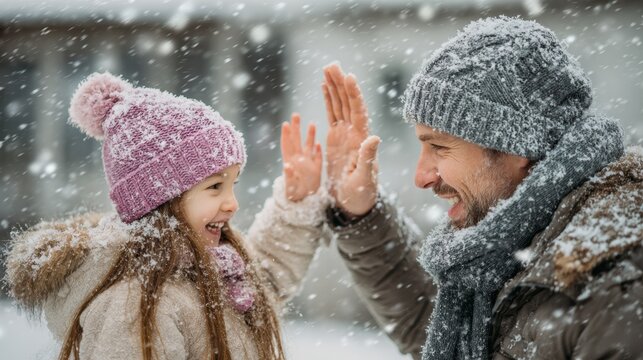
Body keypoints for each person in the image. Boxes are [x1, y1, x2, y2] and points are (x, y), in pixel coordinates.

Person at [321, 16, 643, 359]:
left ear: (518, 145)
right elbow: (446, 333)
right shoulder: (518, 244)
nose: (422, 176)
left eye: (440, 147)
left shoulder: (616, 281)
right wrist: (362, 214)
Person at [5, 72, 329, 360]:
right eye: (215, 186)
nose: (233, 204)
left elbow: (265, 280)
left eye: (233, 184)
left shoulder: (215, 272)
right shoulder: (135, 307)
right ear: (159, 199)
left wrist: (296, 202)